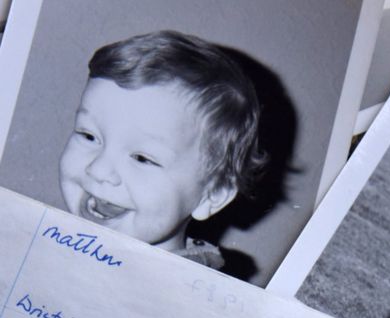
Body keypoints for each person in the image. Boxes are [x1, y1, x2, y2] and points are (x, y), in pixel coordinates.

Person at [59, 30, 265, 269]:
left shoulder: (190, 299)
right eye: (88, 136)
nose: (98, 169)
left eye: (142, 158)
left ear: (212, 194)